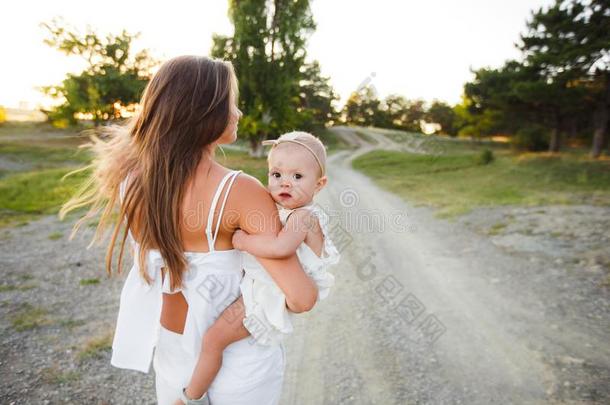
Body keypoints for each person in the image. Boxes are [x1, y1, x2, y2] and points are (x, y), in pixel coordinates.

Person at [59, 55, 318, 405]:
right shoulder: (240, 192)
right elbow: (301, 298)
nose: (238, 113)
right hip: (239, 362)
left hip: (173, 353)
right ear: (204, 112)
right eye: (231, 104)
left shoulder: (132, 185)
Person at [181, 131, 341, 401]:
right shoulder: (283, 210)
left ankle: (189, 397)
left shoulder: (303, 216)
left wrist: (243, 241)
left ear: (319, 184)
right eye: (276, 175)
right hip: (268, 287)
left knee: (214, 340)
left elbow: (280, 248)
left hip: (271, 294)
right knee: (212, 339)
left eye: (297, 177)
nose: (285, 183)